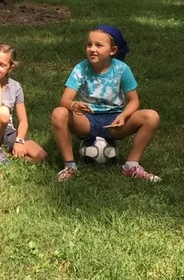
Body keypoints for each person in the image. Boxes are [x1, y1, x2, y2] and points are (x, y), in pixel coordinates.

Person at [50, 25, 161, 183]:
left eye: (99, 45)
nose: (92, 49)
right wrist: (74, 105)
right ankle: (70, 166)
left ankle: (131, 166)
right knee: (58, 113)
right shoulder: (81, 68)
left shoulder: (121, 69)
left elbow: (134, 100)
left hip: (114, 122)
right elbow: (64, 100)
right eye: (89, 44)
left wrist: (124, 116)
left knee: (151, 117)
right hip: (86, 120)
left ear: (113, 50)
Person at [0, 43, 48, 164]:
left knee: (40, 156)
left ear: (10, 68)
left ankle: (6, 156)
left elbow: (23, 121)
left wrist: (19, 140)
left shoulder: (15, 87)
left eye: (2, 65)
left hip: (8, 132)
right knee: (3, 112)